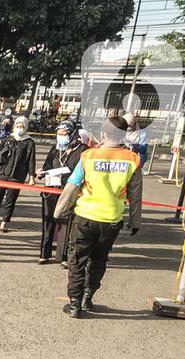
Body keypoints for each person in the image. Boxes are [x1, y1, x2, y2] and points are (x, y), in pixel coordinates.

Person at [54, 116, 142, 318]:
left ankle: (74, 303)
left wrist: (59, 211)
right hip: (111, 220)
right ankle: (87, 296)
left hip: (84, 217)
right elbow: (135, 195)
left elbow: (72, 186)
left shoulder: (88, 156)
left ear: (102, 134)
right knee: (99, 260)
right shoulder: (133, 160)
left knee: (77, 260)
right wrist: (135, 222)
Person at [35, 121, 87, 265]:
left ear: (73, 134)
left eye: (64, 134)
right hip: (51, 189)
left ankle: (62, 257)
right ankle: (44, 254)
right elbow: (47, 166)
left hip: (69, 190)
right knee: (48, 220)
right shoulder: (55, 148)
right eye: (59, 134)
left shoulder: (83, 150)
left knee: (65, 222)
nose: (61, 137)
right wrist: (41, 172)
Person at [0, 115, 37, 232]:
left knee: (10, 200)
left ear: (26, 127)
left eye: (22, 126)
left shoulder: (29, 142)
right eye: (17, 126)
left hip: (17, 176)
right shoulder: (8, 139)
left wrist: (31, 177)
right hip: (3, 173)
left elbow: (31, 160)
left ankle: (4, 222)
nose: (19, 128)